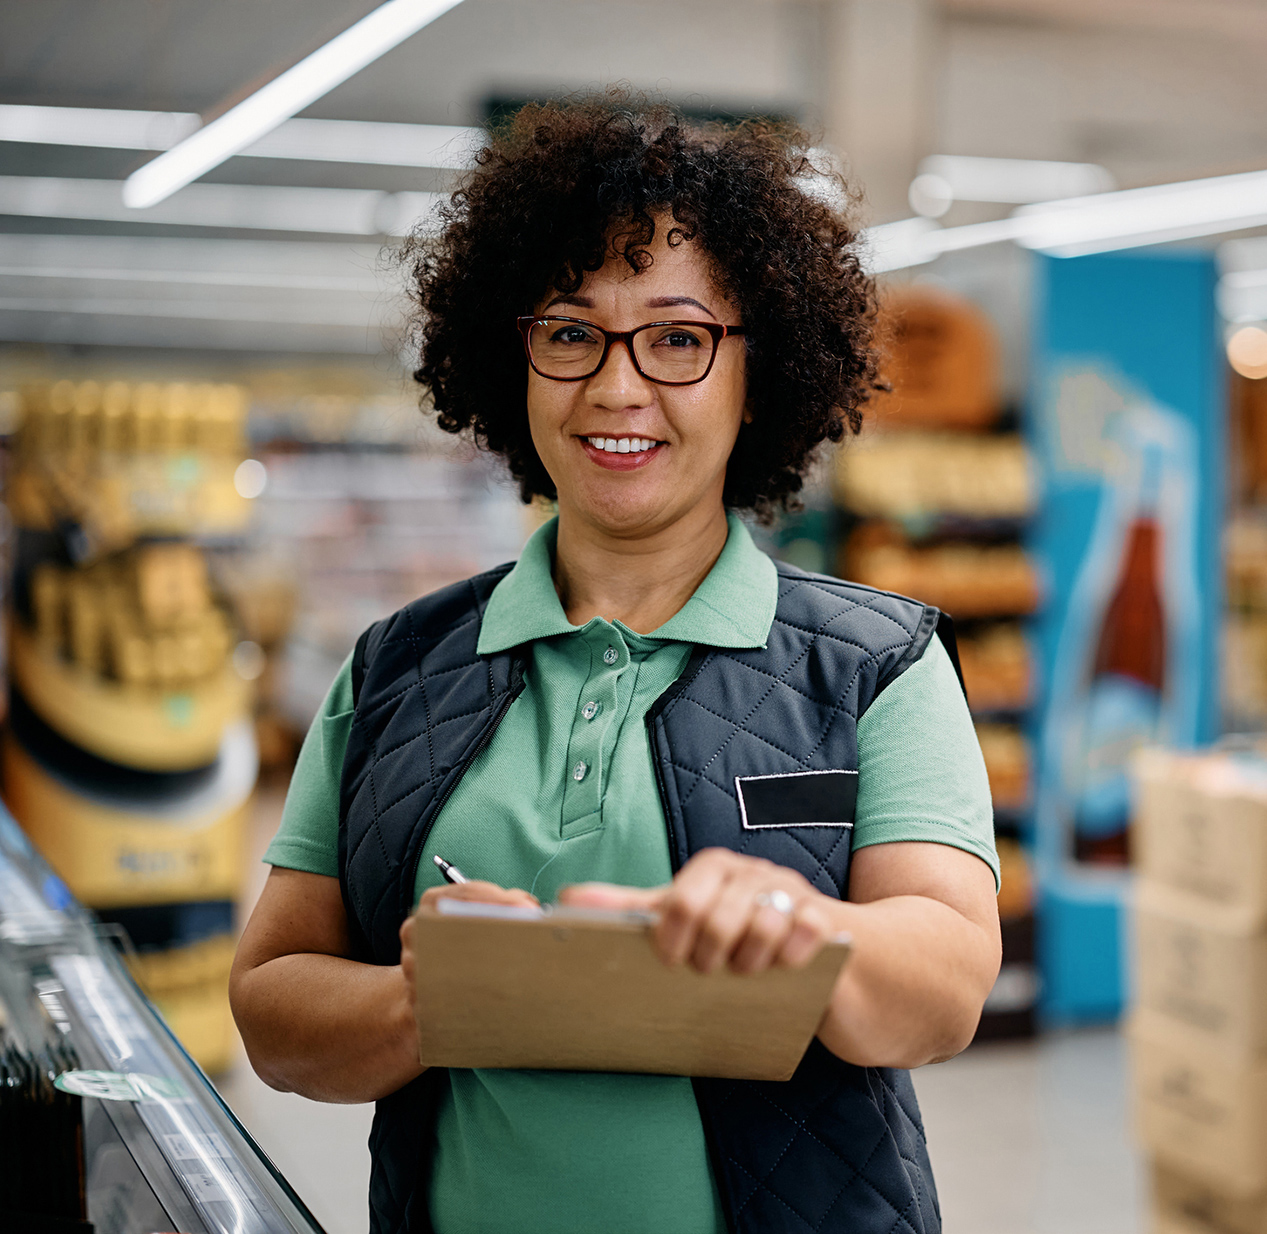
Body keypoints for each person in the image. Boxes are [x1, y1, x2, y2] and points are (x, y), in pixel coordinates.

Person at [230, 95, 1001, 1234]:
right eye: (570, 331)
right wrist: (431, 1000)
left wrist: (804, 930)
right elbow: (271, 1002)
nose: (618, 387)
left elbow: (942, 990)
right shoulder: (395, 669)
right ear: (516, 356)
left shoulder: (873, 665)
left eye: (679, 337)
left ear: (758, 370)